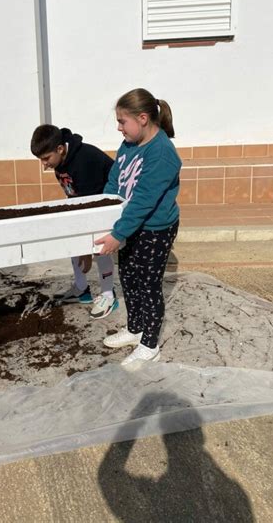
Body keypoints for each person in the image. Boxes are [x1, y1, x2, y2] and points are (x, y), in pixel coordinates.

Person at [95, 88, 181, 369]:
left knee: (148, 285)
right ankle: (135, 330)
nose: (119, 128)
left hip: (155, 229)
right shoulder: (129, 144)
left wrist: (118, 234)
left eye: (122, 121)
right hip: (131, 223)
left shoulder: (162, 153)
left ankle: (150, 345)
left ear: (143, 118)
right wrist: (103, 210)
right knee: (129, 278)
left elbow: (144, 200)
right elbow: (114, 179)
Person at [30, 124, 118, 319]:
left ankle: (108, 294)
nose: (44, 164)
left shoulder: (83, 161)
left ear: (60, 149)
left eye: (46, 158)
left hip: (107, 204)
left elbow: (92, 206)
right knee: (71, 238)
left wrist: (86, 251)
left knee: (99, 246)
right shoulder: (61, 161)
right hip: (88, 204)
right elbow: (76, 198)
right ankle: (81, 288)